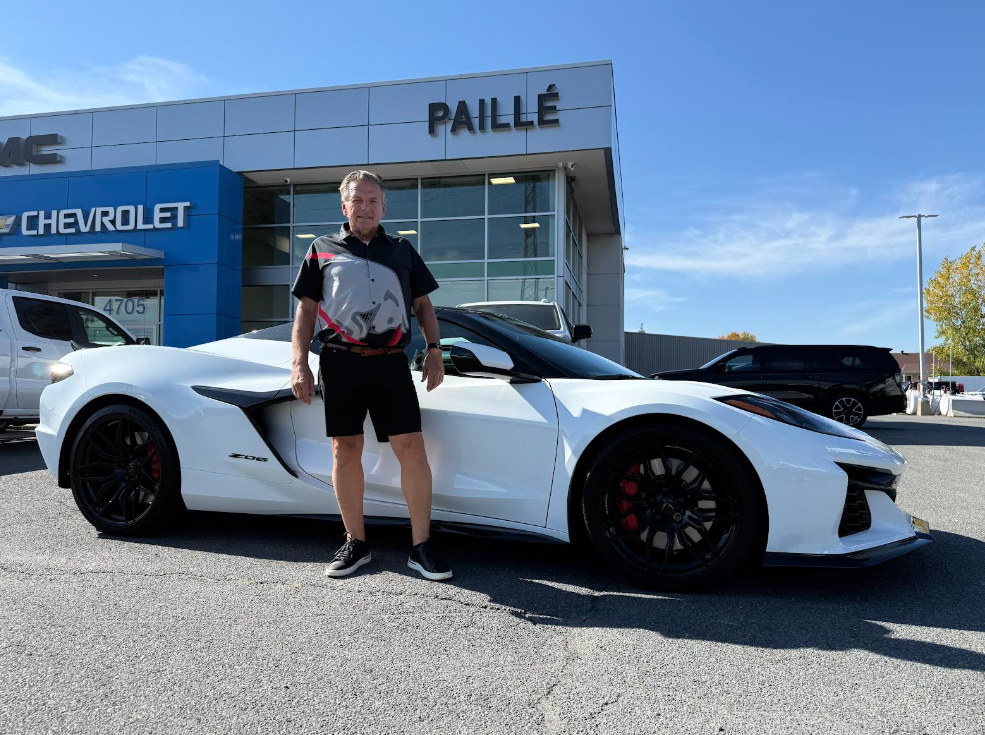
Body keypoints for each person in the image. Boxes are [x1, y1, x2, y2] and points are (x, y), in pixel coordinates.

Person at [289, 170, 452, 581]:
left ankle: (421, 547)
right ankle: (356, 543)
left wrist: (435, 351)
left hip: (390, 361)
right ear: (344, 206)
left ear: (383, 206)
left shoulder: (401, 249)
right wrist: (299, 363)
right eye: (358, 200)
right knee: (346, 449)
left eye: (373, 201)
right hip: (339, 361)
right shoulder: (321, 249)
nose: (366, 207)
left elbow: (424, 306)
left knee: (411, 448)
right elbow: (306, 312)